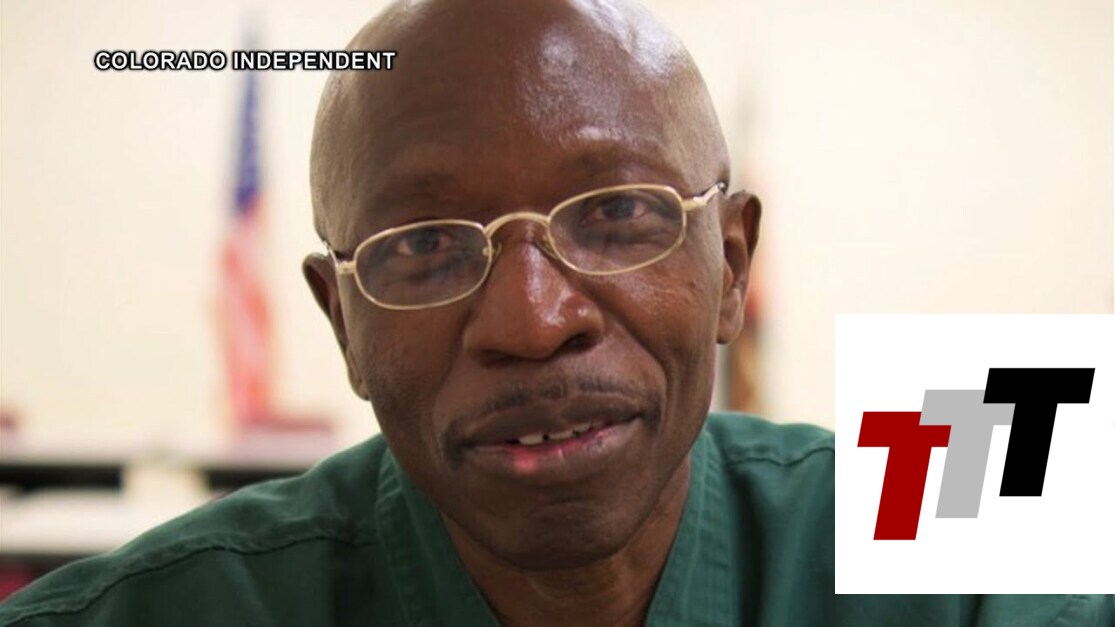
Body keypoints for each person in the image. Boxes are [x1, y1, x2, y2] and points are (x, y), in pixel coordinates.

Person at [1, 1, 1111, 625]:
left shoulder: (964, 495)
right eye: (424, 246)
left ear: (731, 264)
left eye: (618, 213)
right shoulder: (153, 613)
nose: (532, 321)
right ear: (342, 324)